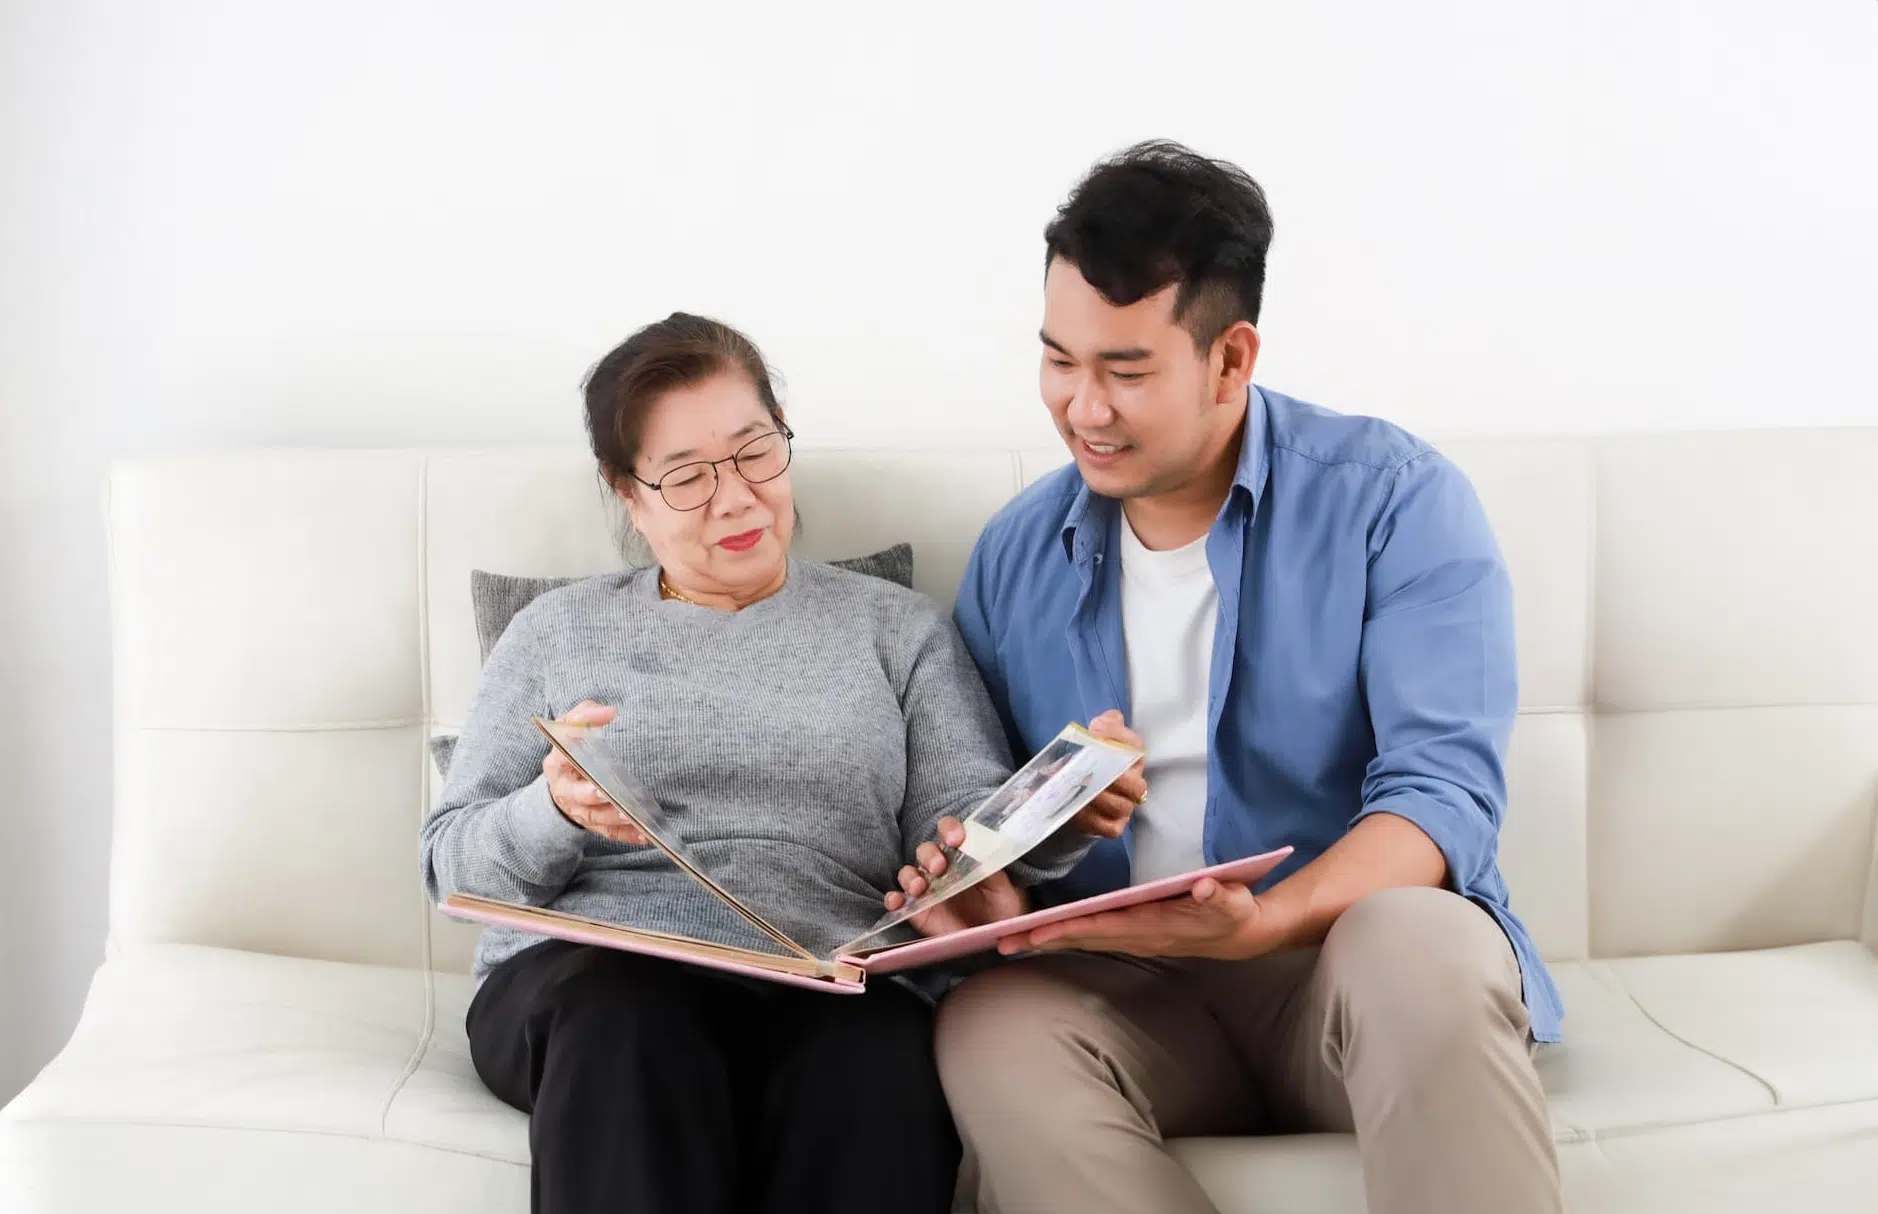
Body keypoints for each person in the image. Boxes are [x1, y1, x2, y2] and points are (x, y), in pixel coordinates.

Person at [923, 141, 1566, 1214]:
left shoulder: (1395, 501)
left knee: (1421, 934)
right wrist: (994, 877)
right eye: (1059, 360)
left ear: (1231, 359)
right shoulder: (1015, 555)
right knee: (988, 1023)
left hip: (1337, 971)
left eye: (1126, 370)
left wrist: (1267, 922)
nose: (1083, 408)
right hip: (1136, 999)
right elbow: (999, 812)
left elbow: (1443, 796)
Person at [419, 313, 1134, 1214]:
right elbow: (448, 867)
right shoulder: (556, 633)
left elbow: (958, 826)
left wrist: (1046, 827)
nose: (736, 498)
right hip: (592, 984)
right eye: (686, 477)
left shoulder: (894, 629)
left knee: (880, 1059)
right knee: (632, 1020)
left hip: (821, 977)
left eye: (756, 452)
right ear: (628, 493)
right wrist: (550, 810)